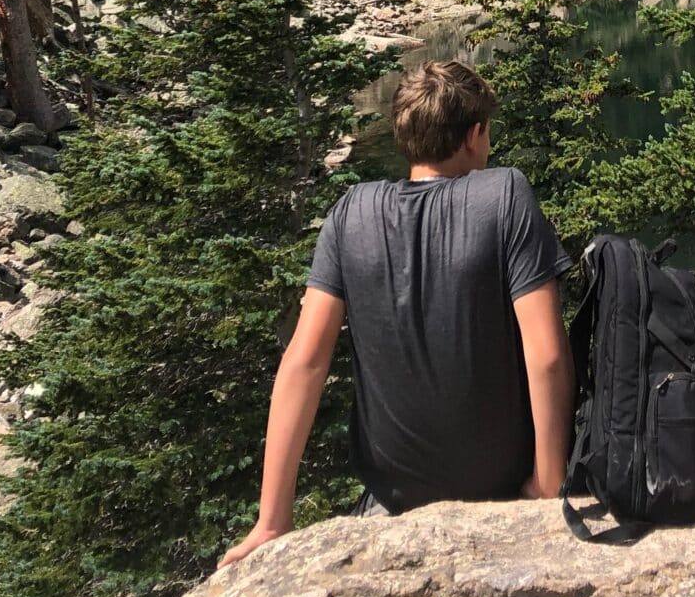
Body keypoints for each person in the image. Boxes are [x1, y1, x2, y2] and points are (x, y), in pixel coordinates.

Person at [220, 60, 574, 566]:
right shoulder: (504, 194)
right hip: (498, 480)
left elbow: (305, 362)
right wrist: (548, 481)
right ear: (474, 135)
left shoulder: (350, 212)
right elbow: (547, 357)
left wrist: (272, 520)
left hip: (396, 492)